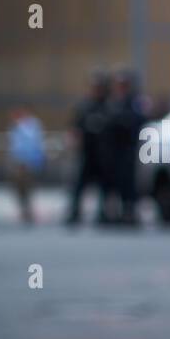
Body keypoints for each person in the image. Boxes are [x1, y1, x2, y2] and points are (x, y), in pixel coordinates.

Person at [103, 68, 150, 226]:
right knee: (110, 182)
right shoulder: (110, 101)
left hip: (128, 149)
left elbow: (140, 120)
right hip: (111, 150)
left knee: (128, 182)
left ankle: (129, 211)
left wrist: (123, 120)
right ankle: (110, 212)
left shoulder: (134, 102)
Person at [67, 70, 111, 226]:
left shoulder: (109, 105)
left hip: (103, 154)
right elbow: (75, 128)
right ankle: (74, 212)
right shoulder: (84, 106)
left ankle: (104, 213)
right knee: (79, 185)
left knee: (104, 186)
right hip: (86, 153)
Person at [7, 108, 46, 224]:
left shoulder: (33, 126)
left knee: (28, 186)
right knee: (19, 187)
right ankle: (24, 210)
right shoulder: (15, 126)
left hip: (29, 161)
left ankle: (28, 211)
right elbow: (14, 145)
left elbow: (36, 143)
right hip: (18, 161)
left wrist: (37, 160)